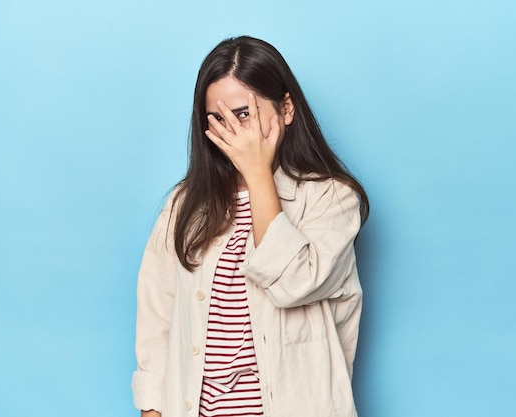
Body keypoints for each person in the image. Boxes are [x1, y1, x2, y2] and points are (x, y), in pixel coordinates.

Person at [131, 35, 370, 417]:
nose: (232, 130)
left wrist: (257, 173)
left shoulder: (331, 199)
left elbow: (292, 283)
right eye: (218, 119)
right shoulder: (184, 206)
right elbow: (157, 322)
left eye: (243, 114)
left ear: (286, 109)